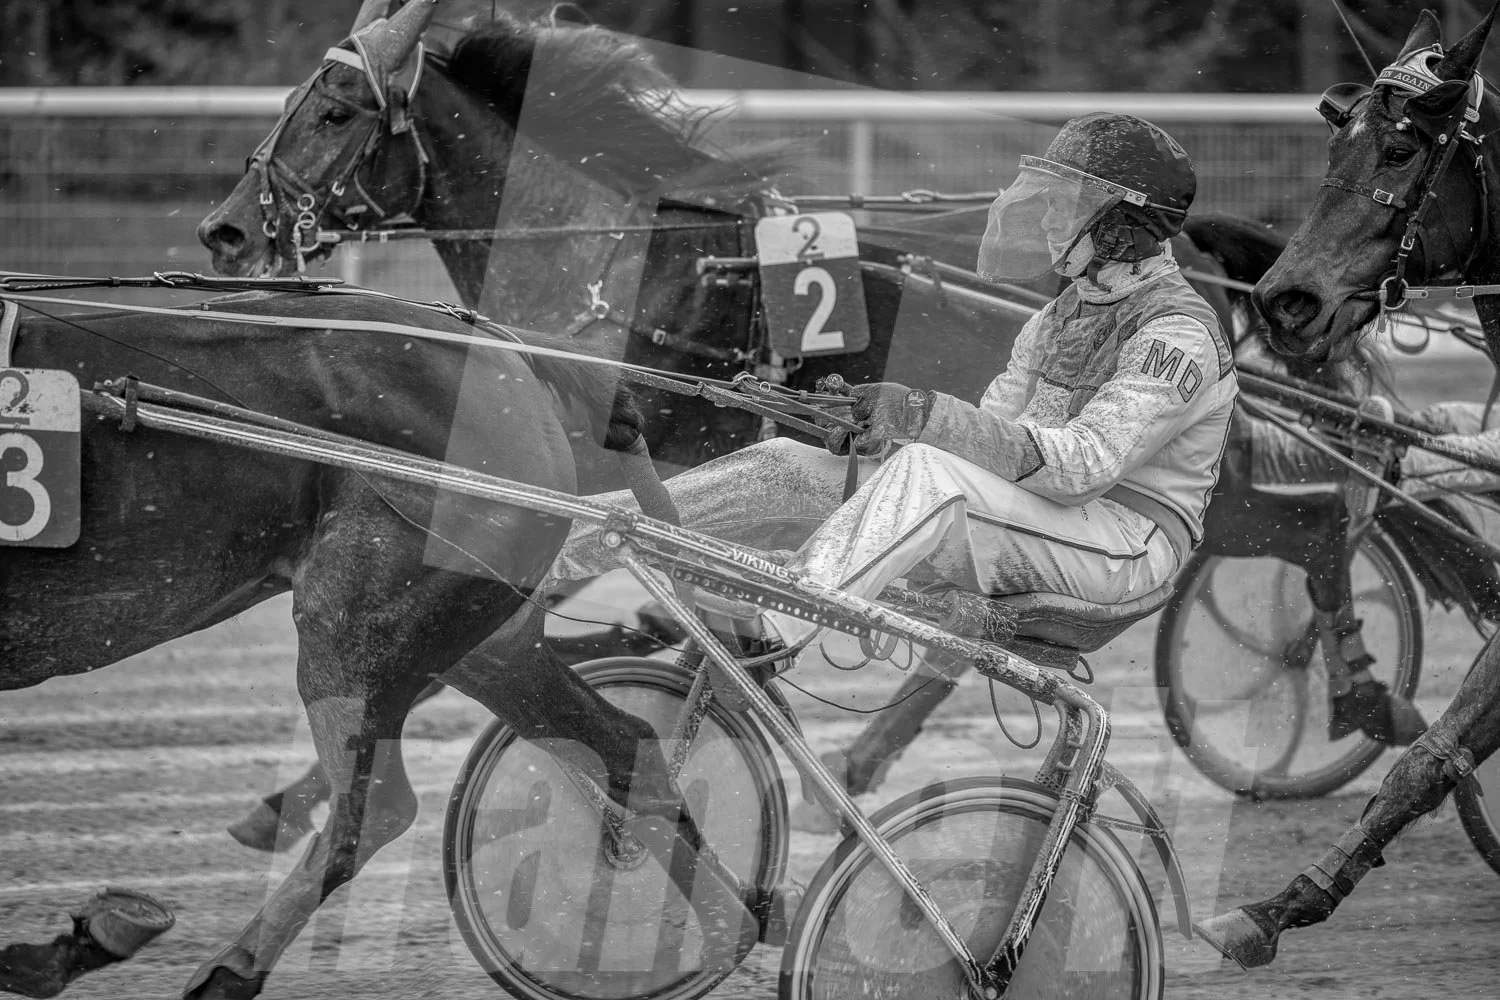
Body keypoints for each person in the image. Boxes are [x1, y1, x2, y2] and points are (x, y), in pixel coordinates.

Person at [550, 112, 1236, 656]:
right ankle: (558, 540)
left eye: (1069, 203)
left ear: (1123, 221)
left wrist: (921, 414)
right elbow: (992, 429)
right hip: (1045, 518)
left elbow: (1081, 469)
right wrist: (876, 430)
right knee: (791, 464)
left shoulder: (1176, 334)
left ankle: (775, 623)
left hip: (1126, 545)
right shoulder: (1062, 313)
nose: (1051, 217)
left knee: (932, 473)